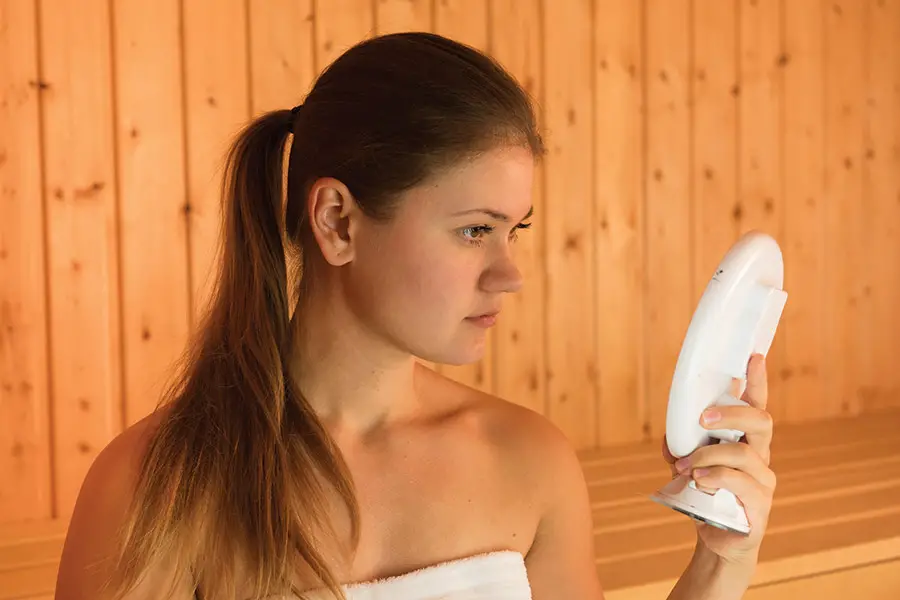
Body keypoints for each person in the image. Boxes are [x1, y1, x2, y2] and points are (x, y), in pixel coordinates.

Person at [54, 32, 776, 600]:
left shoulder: (531, 464)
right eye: (473, 230)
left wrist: (724, 563)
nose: (509, 272)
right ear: (338, 221)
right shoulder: (157, 489)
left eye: (514, 230)